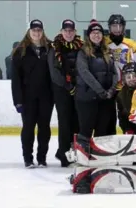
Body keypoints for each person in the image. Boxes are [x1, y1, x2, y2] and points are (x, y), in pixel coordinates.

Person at [11, 19, 54, 168]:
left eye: (39, 30)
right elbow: (15, 79)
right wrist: (17, 100)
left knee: (44, 128)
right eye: (34, 30)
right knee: (28, 128)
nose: (36, 33)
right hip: (27, 97)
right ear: (29, 32)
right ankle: (28, 158)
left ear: (42, 31)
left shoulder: (49, 49)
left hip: (46, 97)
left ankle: (41, 158)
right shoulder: (20, 50)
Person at [48, 19, 83, 167]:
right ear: (61, 31)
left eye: (71, 31)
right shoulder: (54, 47)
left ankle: (75, 152)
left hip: (79, 89)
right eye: (66, 30)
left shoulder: (81, 46)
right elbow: (54, 72)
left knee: (77, 121)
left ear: (74, 32)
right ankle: (63, 154)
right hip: (61, 90)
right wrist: (67, 85)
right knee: (65, 122)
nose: (68, 33)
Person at [75, 19, 118, 138]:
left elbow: (114, 73)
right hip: (87, 98)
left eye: (99, 33)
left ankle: (99, 156)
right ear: (89, 35)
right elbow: (85, 73)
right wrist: (100, 91)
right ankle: (84, 154)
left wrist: (111, 90)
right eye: (93, 33)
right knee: (86, 131)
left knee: (102, 132)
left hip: (105, 99)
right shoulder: (83, 52)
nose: (96, 35)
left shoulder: (107, 51)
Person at [105, 14, 136, 135]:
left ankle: (130, 136)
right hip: (109, 86)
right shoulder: (104, 43)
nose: (117, 29)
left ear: (124, 27)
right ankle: (109, 140)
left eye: (120, 26)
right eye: (114, 26)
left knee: (126, 114)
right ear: (109, 27)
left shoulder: (131, 44)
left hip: (126, 86)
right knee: (108, 116)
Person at [117, 62, 136, 135]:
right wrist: (127, 129)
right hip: (131, 129)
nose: (132, 79)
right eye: (129, 77)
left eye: (135, 76)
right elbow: (122, 116)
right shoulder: (121, 94)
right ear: (124, 79)